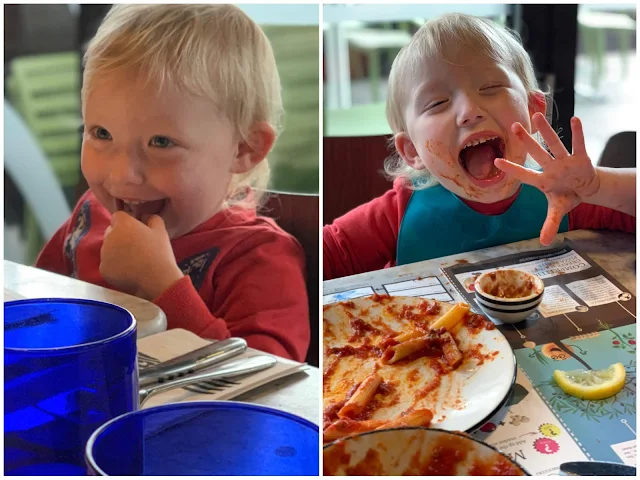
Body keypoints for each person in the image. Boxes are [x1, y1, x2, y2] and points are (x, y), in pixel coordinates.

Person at [37, 4, 310, 361]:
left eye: (161, 142)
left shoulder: (259, 256)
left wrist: (163, 287)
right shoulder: (90, 214)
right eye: (101, 133)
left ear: (244, 148)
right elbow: (32, 310)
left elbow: (273, 386)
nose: (121, 175)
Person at [323, 13, 635, 280]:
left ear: (534, 111)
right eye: (438, 102)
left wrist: (597, 186)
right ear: (412, 150)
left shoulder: (566, 194)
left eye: (490, 87)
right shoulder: (398, 214)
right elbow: (323, 259)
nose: (469, 110)